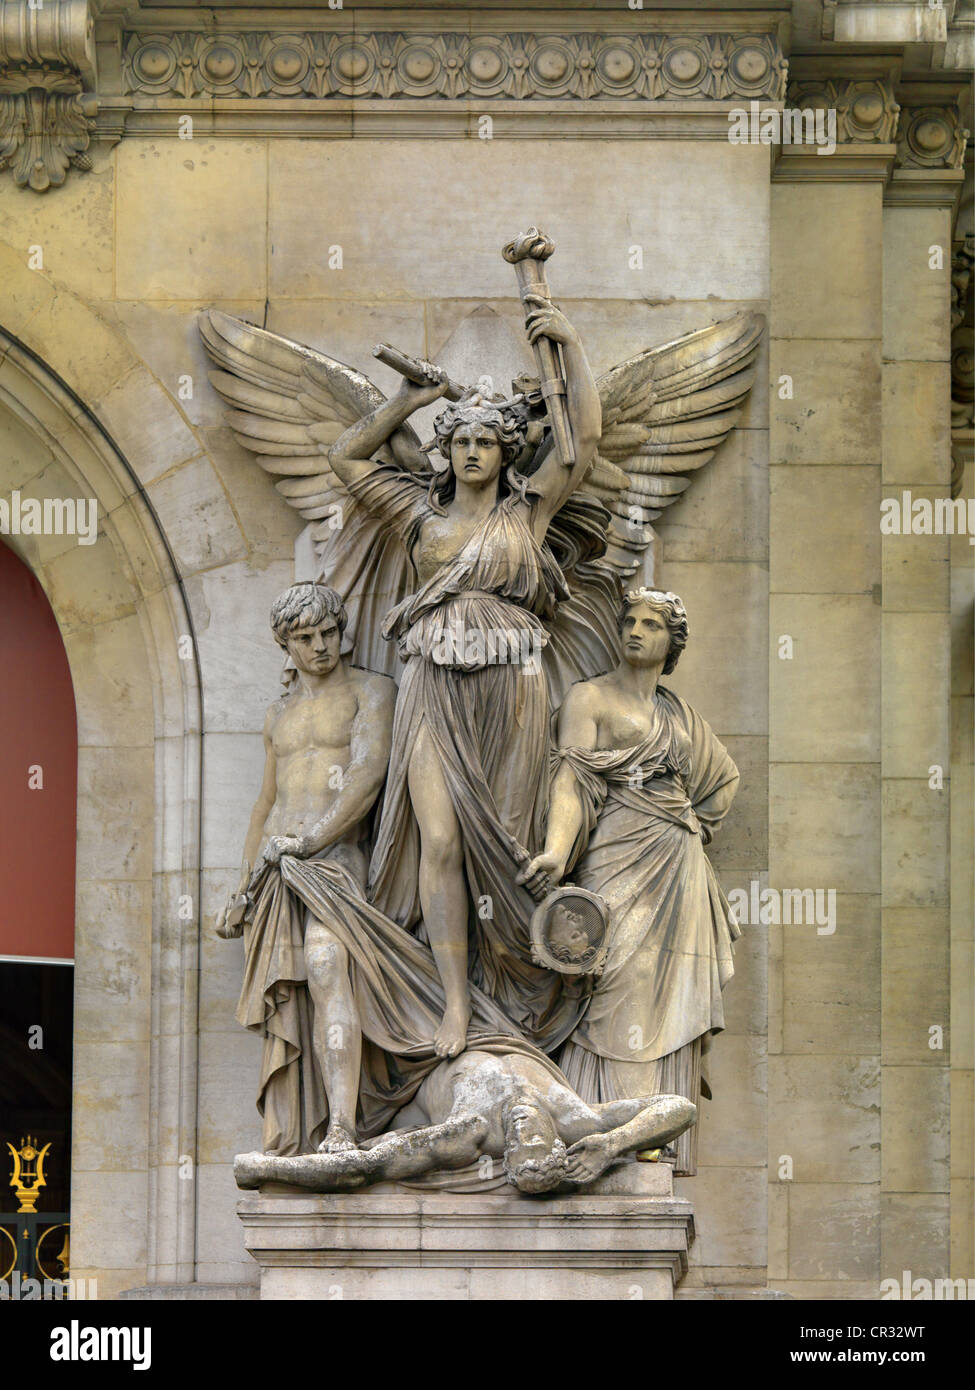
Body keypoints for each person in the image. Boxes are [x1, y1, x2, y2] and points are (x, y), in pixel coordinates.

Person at [324, 294, 602, 1060]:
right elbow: (346, 460)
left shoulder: (528, 516)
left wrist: (568, 343)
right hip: (429, 685)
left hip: (512, 683)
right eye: (461, 439)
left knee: (505, 844)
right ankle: (450, 1005)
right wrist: (407, 400)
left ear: (506, 450)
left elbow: (580, 448)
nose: (474, 450)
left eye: (487, 439)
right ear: (443, 449)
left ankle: (507, 990)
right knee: (439, 840)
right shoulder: (417, 516)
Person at [518, 588, 740, 1174]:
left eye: (652, 625)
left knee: (666, 989)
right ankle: (601, 1123)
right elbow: (571, 780)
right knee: (616, 982)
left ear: (673, 644)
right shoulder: (588, 697)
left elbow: (722, 781)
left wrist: (689, 825)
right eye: (630, 621)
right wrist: (557, 852)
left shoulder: (680, 715)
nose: (637, 631)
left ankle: (650, 1137)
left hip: (676, 863)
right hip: (615, 856)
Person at [216, 583, 396, 1155]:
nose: (320, 646)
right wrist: (242, 886)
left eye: (328, 633)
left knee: (325, 968)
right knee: (289, 998)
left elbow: (367, 776)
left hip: (335, 862)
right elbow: (265, 804)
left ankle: (343, 1124)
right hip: (276, 870)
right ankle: (295, 1130)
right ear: (284, 645)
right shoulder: (279, 715)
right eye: (304, 638)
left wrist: (311, 840)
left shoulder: (373, 690)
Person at [234, 1046, 696, 1195]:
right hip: (505, 1027)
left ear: (505, 1154)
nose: (524, 1127)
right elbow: (680, 1107)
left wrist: (266, 1167)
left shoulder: (468, 1133)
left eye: (520, 1144)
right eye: (536, 1139)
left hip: (419, 1054)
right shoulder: (578, 1120)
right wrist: (614, 1144)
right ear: (559, 1144)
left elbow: (362, 1166)